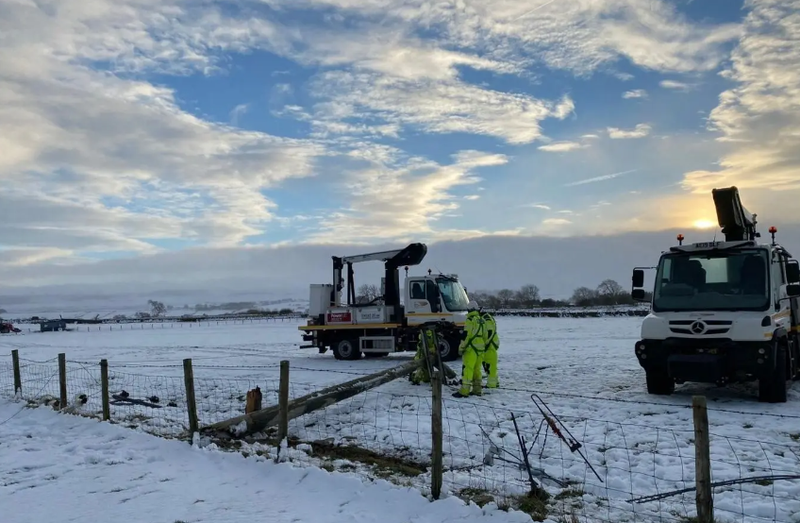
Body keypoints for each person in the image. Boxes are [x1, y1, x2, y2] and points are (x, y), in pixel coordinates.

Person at [454, 305, 486, 398]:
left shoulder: (470, 320)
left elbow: (467, 335)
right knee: (477, 370)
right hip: (481, 348)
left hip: (471, 348)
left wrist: (461, 347)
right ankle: (477, 389)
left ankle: (464, 391)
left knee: (468, 369)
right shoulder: (482, 320)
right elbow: (485, 335)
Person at [481, 310, 499, 388]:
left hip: (490, 346)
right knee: (492, 366)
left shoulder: (486, 319)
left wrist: (486, 344)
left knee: (489, 366)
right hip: (492, 344)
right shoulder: (487, 317)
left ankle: (491, 384)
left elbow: (489, 332)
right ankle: (495, 382)